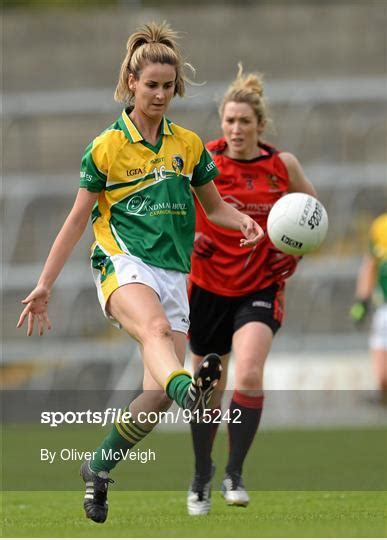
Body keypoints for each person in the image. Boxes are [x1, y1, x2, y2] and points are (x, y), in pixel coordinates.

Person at [16, 24, 264, 523]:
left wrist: (243, 220)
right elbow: (75, 219)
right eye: (151, 84)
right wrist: (44, 283)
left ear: (176, 88)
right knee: (154, 333)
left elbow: (214, 209)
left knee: (152, 398)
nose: (159, 94)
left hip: (172, 274)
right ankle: (191, 393)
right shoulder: (106, 147)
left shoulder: (190, 145)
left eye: (167, 87)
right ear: (132, 82)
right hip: (121, 263)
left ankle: (98, 468)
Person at [186, 64, 318, 516]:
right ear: (221, 122)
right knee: (208, 386)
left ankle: (233, 473)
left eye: (245, 121)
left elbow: (312, 215)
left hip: (260, 284)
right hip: (207, 286)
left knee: (249, 374)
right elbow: (169, 212)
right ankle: (202, 472)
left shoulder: (282, 166)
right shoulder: (202, 158)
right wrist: (190, 240)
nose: (236, 128)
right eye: (229, 120)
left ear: (260, 125)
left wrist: (294, 254)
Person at [350, 212, 387, 402]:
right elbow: (370, 265)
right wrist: (362, 301)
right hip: (384, 310)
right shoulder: (381, 225)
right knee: (383, 380)